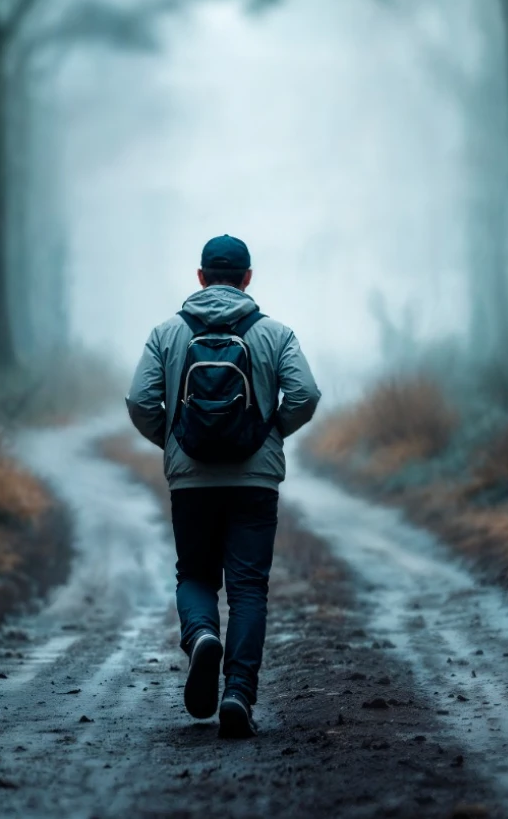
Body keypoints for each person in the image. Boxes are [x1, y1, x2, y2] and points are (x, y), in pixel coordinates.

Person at [126, 235, 321, 738]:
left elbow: (140, 401)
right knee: (249, 588)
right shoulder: (275, 334)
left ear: (200, 277)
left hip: (190, 479)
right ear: (248, 279)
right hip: (255, 480)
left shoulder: (167, 333)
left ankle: (203, 634)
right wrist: (271, 431)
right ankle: (237, 693)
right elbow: (306, 393)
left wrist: (174, 440)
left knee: (194, 574)